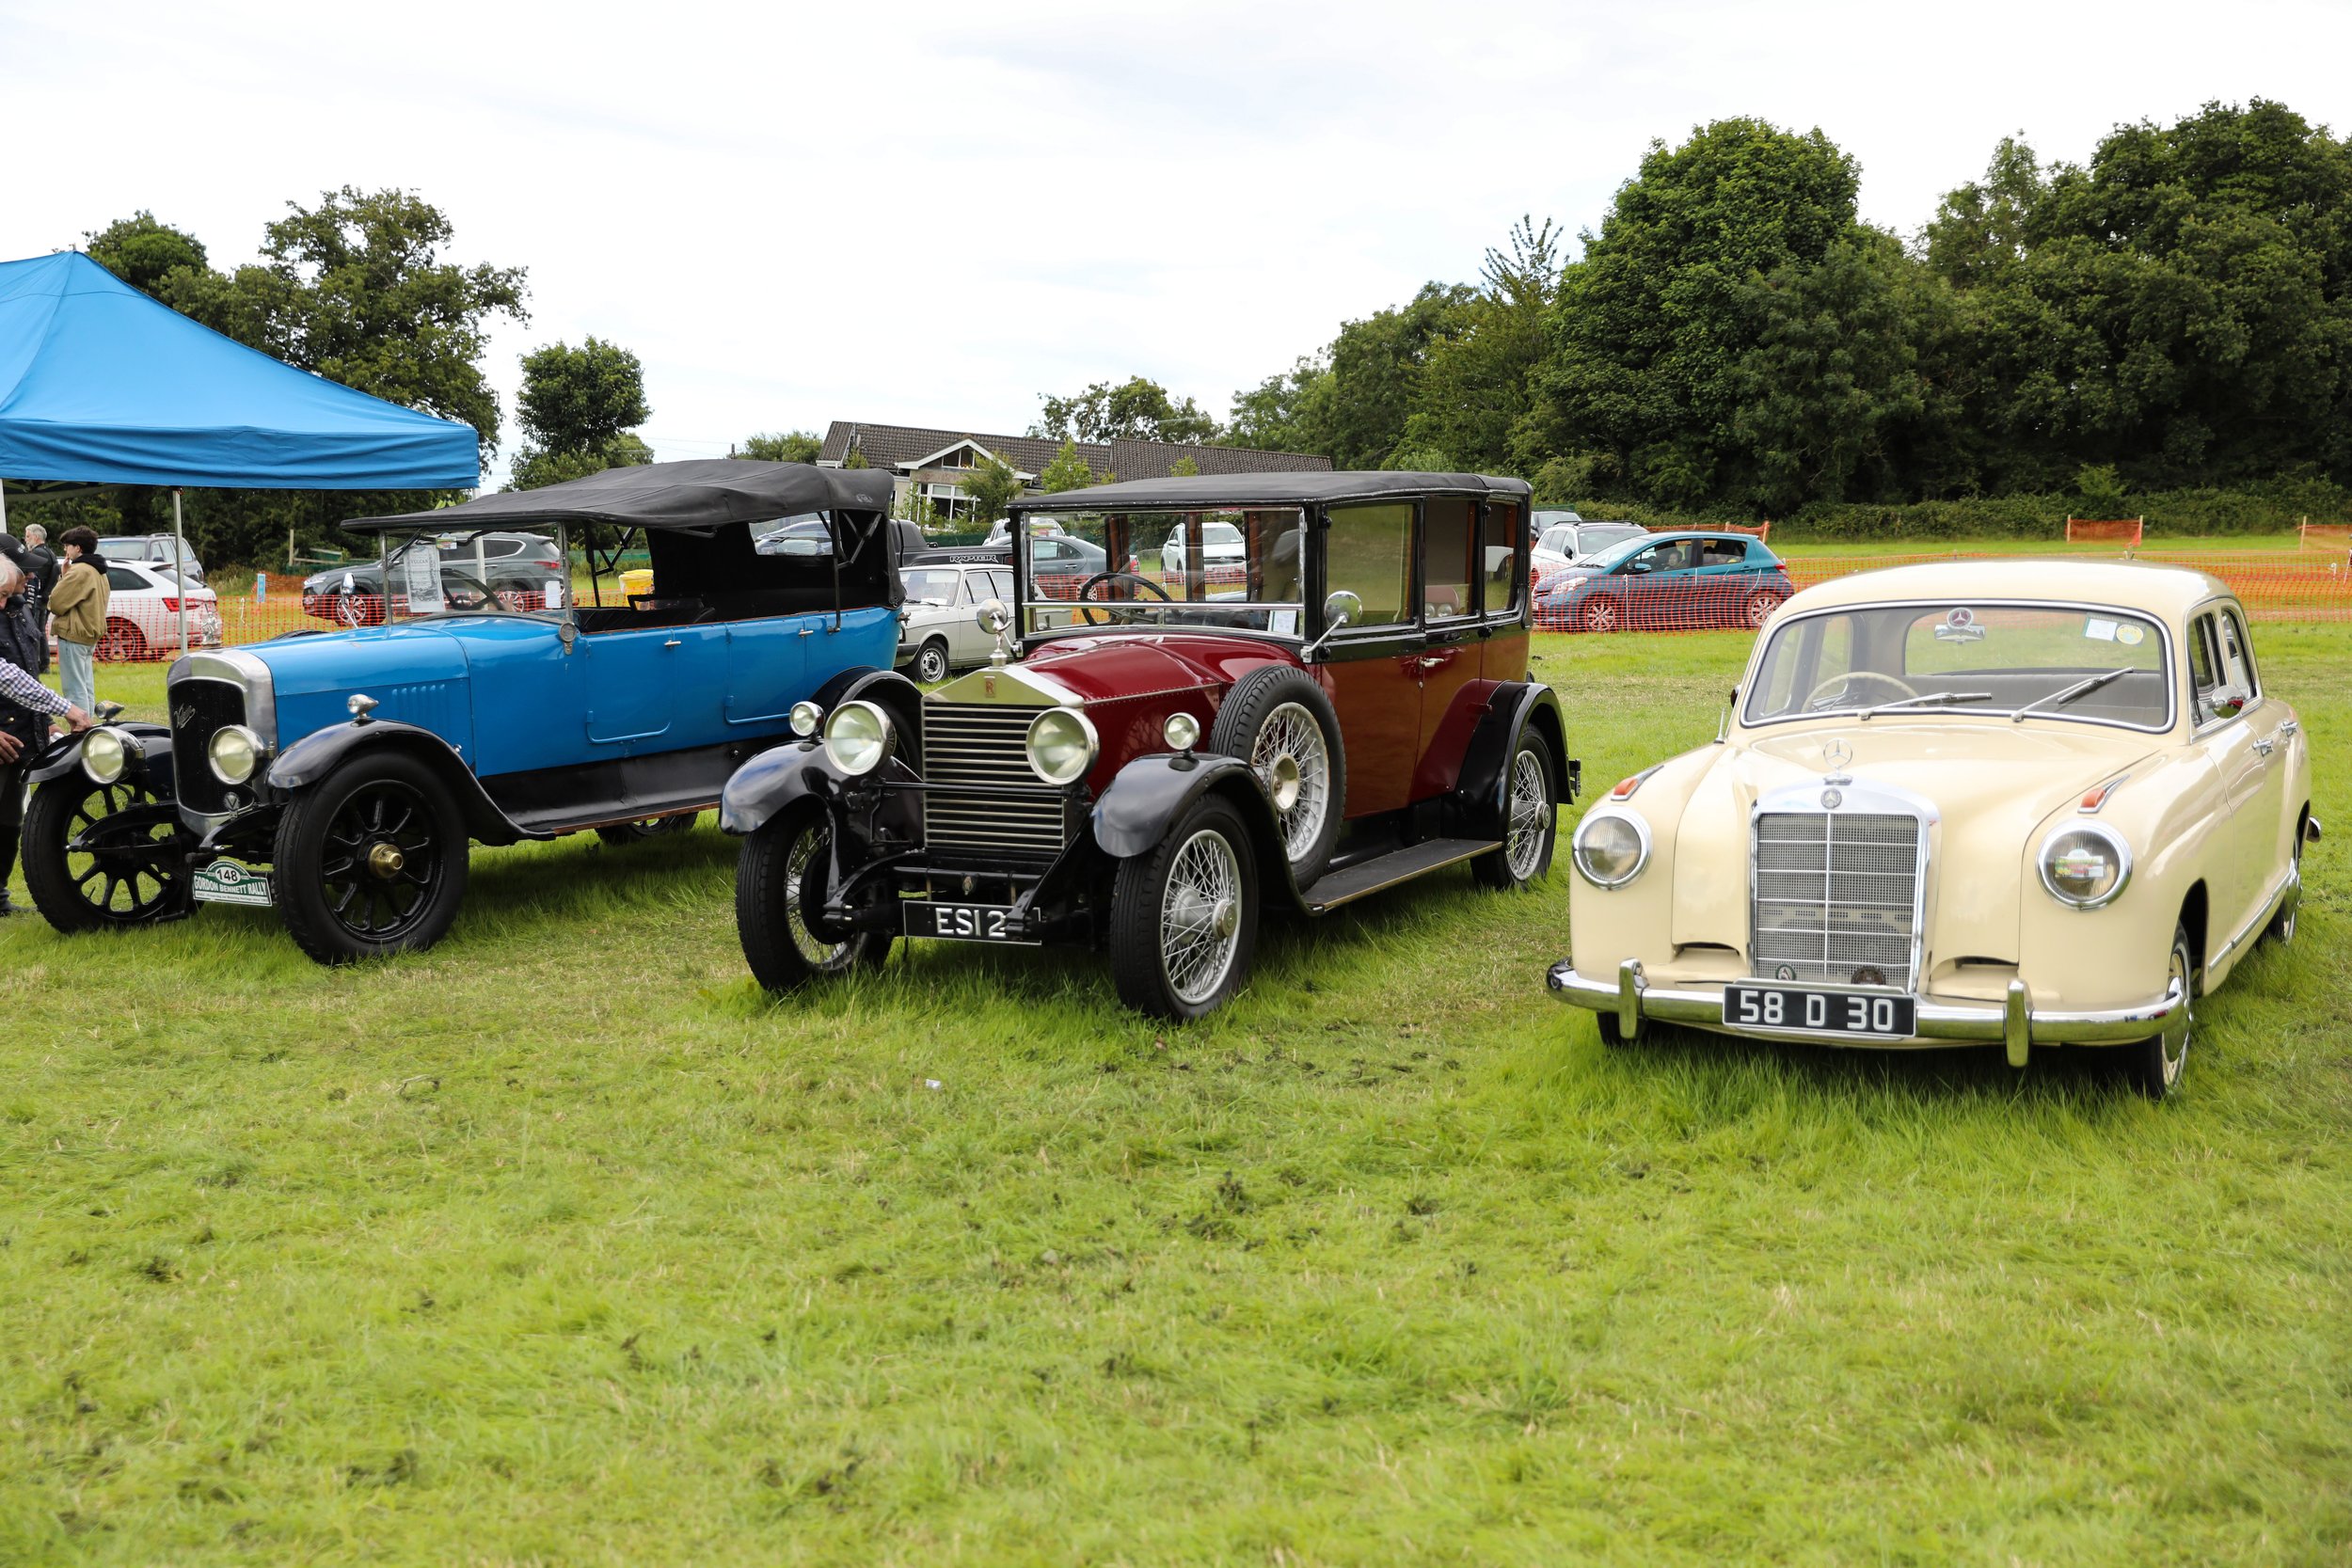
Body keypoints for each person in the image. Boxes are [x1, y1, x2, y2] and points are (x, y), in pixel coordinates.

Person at [0, 556, 95, 915]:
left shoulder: (17, 611)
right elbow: (5, 676)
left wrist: (45, 720)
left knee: (9, 821)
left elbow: (24, 675)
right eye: (1, 594)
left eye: (7, 594)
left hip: (17, 735)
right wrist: (69, 708)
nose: (4, 603)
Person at [46, 527, 108, 714]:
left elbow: (55, 603)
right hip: (88, 636)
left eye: (67, 545)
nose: (65, 550)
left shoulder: (79, 571)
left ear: (78, 548)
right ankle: (88, 725)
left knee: (74, 690)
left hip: (74, 635)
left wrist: (64, 576)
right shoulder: (98, 570)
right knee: (86, 687)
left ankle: (81, 728)